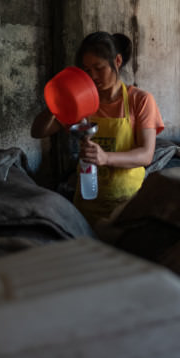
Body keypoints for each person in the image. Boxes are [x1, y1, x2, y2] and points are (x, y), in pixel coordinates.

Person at [31, 32, 164, 225]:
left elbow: (146, 155)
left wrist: (106, 158)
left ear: (117, 61)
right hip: (87, 205)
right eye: (87, 69)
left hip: (127, 205)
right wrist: (56, 103)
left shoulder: (140, 100)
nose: (92, 75)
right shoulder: (82, 101)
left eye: (98, 68)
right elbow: (38, 132)